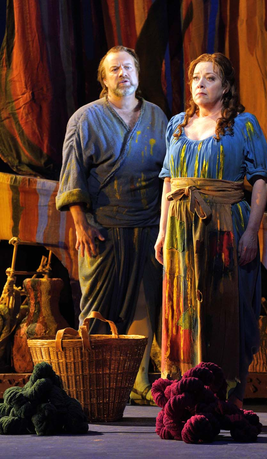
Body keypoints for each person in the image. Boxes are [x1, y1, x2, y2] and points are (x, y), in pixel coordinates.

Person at [154, 52, 267, 408]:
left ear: (225, 86)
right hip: (180, 229)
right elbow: (169, 181)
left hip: (224, 224)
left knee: (224, 304)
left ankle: (226, 393)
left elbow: (261, 180)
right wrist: (161, 232)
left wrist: (251, 232)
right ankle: (185, 391)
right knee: (184, 305)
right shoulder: (176, 123)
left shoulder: (244, 125)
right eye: (195, 79)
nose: (200, 85)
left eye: (210, 78)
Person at [56, 45, 168, 404]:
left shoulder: (157, 117)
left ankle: (137, 384)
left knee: (146, 308)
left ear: (138, 73)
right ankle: (90, 383)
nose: (123, 74)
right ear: (104, 79)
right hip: (102, 229)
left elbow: (168, 174)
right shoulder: (85, 118)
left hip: (149, 227)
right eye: (115, 69)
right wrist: (80, 224)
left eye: (129, 67)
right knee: (97, 309)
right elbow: (73, 174)